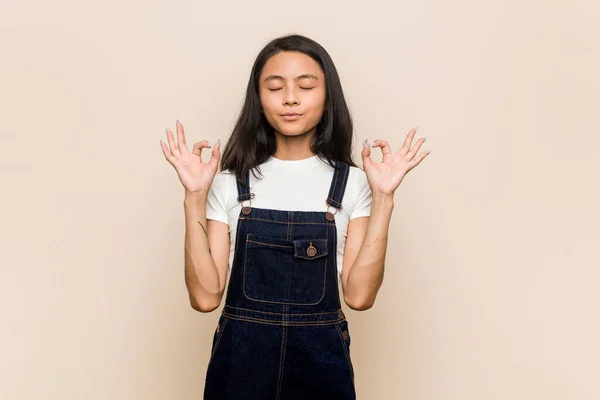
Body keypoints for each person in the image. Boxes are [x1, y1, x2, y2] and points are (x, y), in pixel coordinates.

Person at [160, 34, 430, 400]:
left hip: (321, 369)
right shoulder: (227, 184)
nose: (290, 98)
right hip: (240, 368)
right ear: (259, 98)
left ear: (326, 95)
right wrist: (195, 195)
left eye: (305, 86)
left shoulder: (354, 184)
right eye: (275, 87)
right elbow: (206, 297)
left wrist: (383, 197)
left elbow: (360, 295)